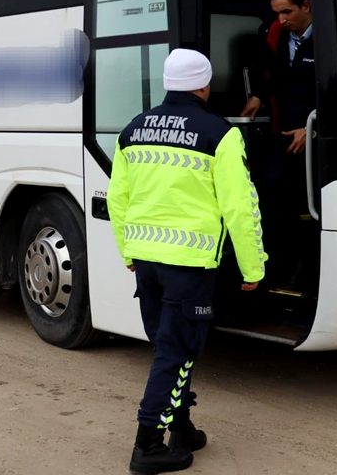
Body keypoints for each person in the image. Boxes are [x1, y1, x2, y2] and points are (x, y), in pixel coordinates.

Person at [107, 48, 267, 475]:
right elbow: (241, 208)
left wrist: (128, 251)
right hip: (189, 264)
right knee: (177, 350)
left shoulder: (133, 129)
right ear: (204, 85)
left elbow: (117, 201)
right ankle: (147, 444)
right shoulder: (219, 133)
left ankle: (181, 428)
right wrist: (254, 268)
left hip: (146, 261)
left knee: (169, 345)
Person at [239, 0, 318, 287]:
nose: (281, 20)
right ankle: (282, 266)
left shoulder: (330, 37)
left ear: (306, 6)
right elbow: (268, 72)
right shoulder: (277, 36)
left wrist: (314, 126)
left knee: (316, 204)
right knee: (269, 195)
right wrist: (259, 95)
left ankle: (312, 269)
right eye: (277, 13)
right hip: (285, 131)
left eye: (287, 12)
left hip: (318, 133)